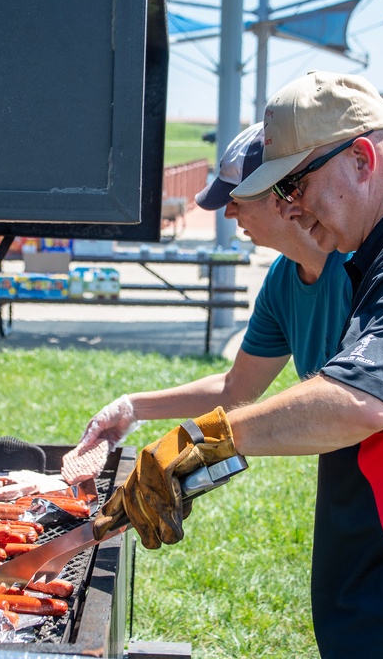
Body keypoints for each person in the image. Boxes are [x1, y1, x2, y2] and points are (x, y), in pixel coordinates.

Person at [93, 70, 383, 659]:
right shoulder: (380, 257)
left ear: (360, 158)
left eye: (297, 184)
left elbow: (357, 400)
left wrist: (202, 442)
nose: (293, 208)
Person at [62, 121, 352, 482]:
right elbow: (236, 388)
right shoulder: (281, 279)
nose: (229, 213)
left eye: (236, 198)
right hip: (343, 474)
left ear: (279, 190)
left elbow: (349, 402)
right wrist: (132, 407)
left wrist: (196, 442)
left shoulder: (354, 266)